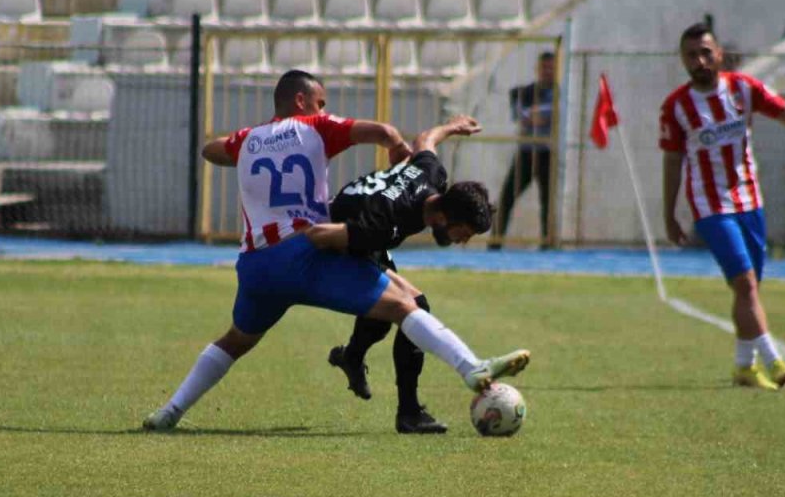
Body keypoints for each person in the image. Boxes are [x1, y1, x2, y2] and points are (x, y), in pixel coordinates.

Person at [142, 71, 529, 432]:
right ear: (301, 101)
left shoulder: (247, 140)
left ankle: (170, 411)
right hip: (306, 251)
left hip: (256, 264)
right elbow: (381, 130)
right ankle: (471, 367)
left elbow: (211, 150)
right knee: (404, 306)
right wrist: (395, 145)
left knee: (236, 340)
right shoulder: (317, 128)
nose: (324, 109)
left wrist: (246, 147)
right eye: (320, 102)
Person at [314, 114, 495, 434]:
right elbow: (327, 234)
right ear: (443, 216)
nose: (462, 241)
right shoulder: (388, 217)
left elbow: (425, 139)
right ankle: (408, 412)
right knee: (412, 309)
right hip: (344, 241)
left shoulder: (432, 175)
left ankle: (353, 357)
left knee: (389, 316)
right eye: (462, 232)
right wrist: (285, 241)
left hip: (366, 239)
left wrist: (453, 127)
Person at [660, 23, 785, 390]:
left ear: (719, 54)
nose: (699, 60)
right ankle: (773, 359)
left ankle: (743, 367)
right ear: (683, 60)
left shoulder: (744, 88)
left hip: (750, 200)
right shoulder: (676, 107)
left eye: (705, 52)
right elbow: (671, 160)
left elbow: (778, 108)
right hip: (710, 206)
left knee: (748, 290)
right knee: (745, 284)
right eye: (690, 55)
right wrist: (668, 213)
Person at [491, 51, 556, 249]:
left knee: (548, 202)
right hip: (527, 152)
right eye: (545, 67)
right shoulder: (525, 92)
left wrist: (540, 114)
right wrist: (544, 113)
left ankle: (547, 244)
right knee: (507, 197)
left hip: (547, 153)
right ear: (538, 69)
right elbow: (525, 116)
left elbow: (553, 115)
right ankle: (495, 242)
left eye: (552, 68)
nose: (548, 72)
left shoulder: (561, 92)